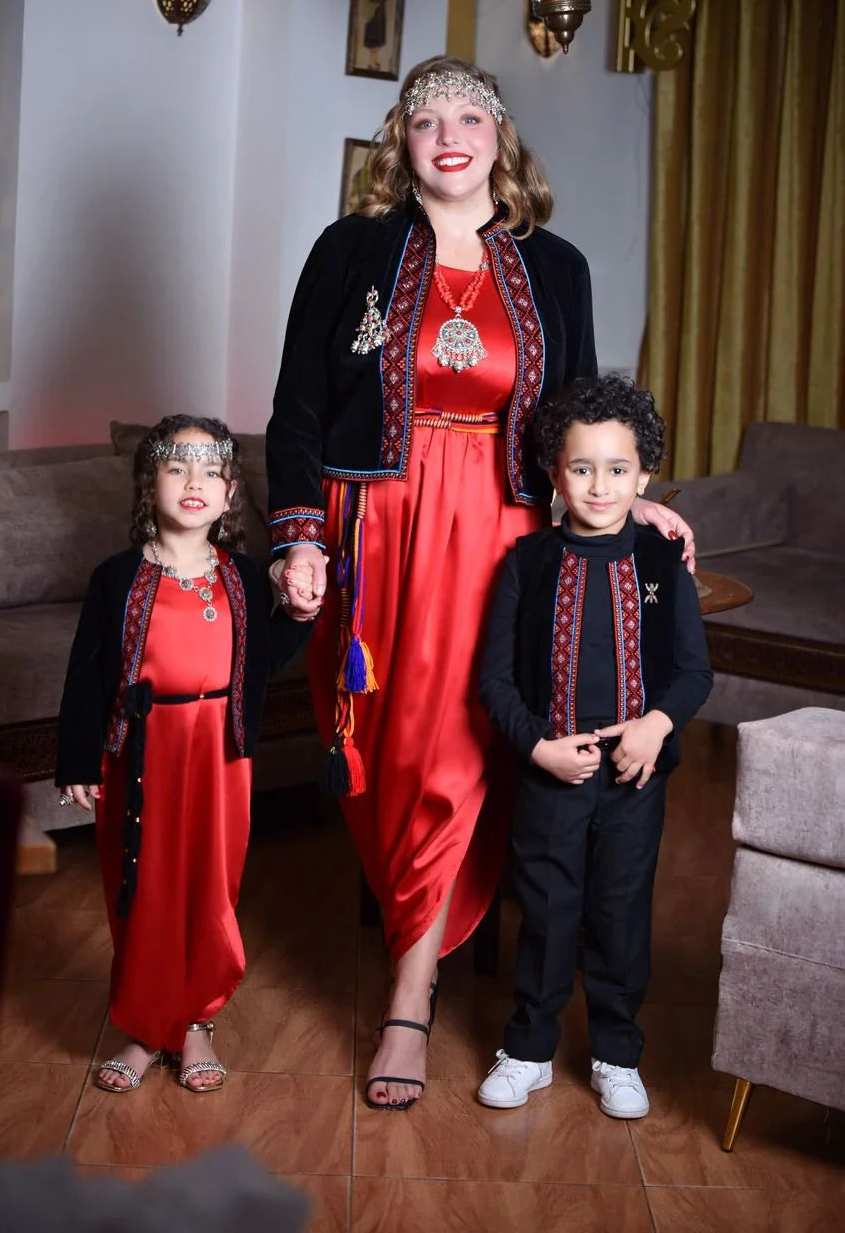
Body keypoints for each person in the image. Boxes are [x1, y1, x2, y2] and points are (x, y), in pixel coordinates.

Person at [265, 57, 694, 1111]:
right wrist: (297, 539)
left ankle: (409, 999)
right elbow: (296, 408)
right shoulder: (349, 249)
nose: (449, 136)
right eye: (427, 121)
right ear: (399, 143)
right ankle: (428, 937)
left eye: (470, 116)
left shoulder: (557, 265)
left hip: (507, 537)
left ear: (501, 136)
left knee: (464, 735)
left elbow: (584, 414)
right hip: (380, 529)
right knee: (399, 747)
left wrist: (630, 503)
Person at [476, 376, 712, 1118]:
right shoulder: (526, 563)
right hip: (552, 776)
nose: (600, 486)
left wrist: (656, 726)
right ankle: (528, 1049)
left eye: (617, 469)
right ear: (555, 474)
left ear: (644, 477)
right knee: (547, 912)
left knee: (620, 913)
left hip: (636, 779)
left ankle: (617, 1053)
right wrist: (537, 749)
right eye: (581, 468)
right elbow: (493, 680)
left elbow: (694, 672)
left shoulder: (663, 563)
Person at [56, 416, 304, 1094]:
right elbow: (87, 675)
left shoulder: (245, 577)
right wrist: (77, 759)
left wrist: (301, 616)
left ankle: (195, 1020)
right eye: (176, 467)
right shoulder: (115, 578)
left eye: (211, 471)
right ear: (150, 482)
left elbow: (263, 662)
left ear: (230, 492)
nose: (194, 482)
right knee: (143, 888)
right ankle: (144, 1027)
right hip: (141, 752)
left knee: (210, 886)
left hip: (220, 751)